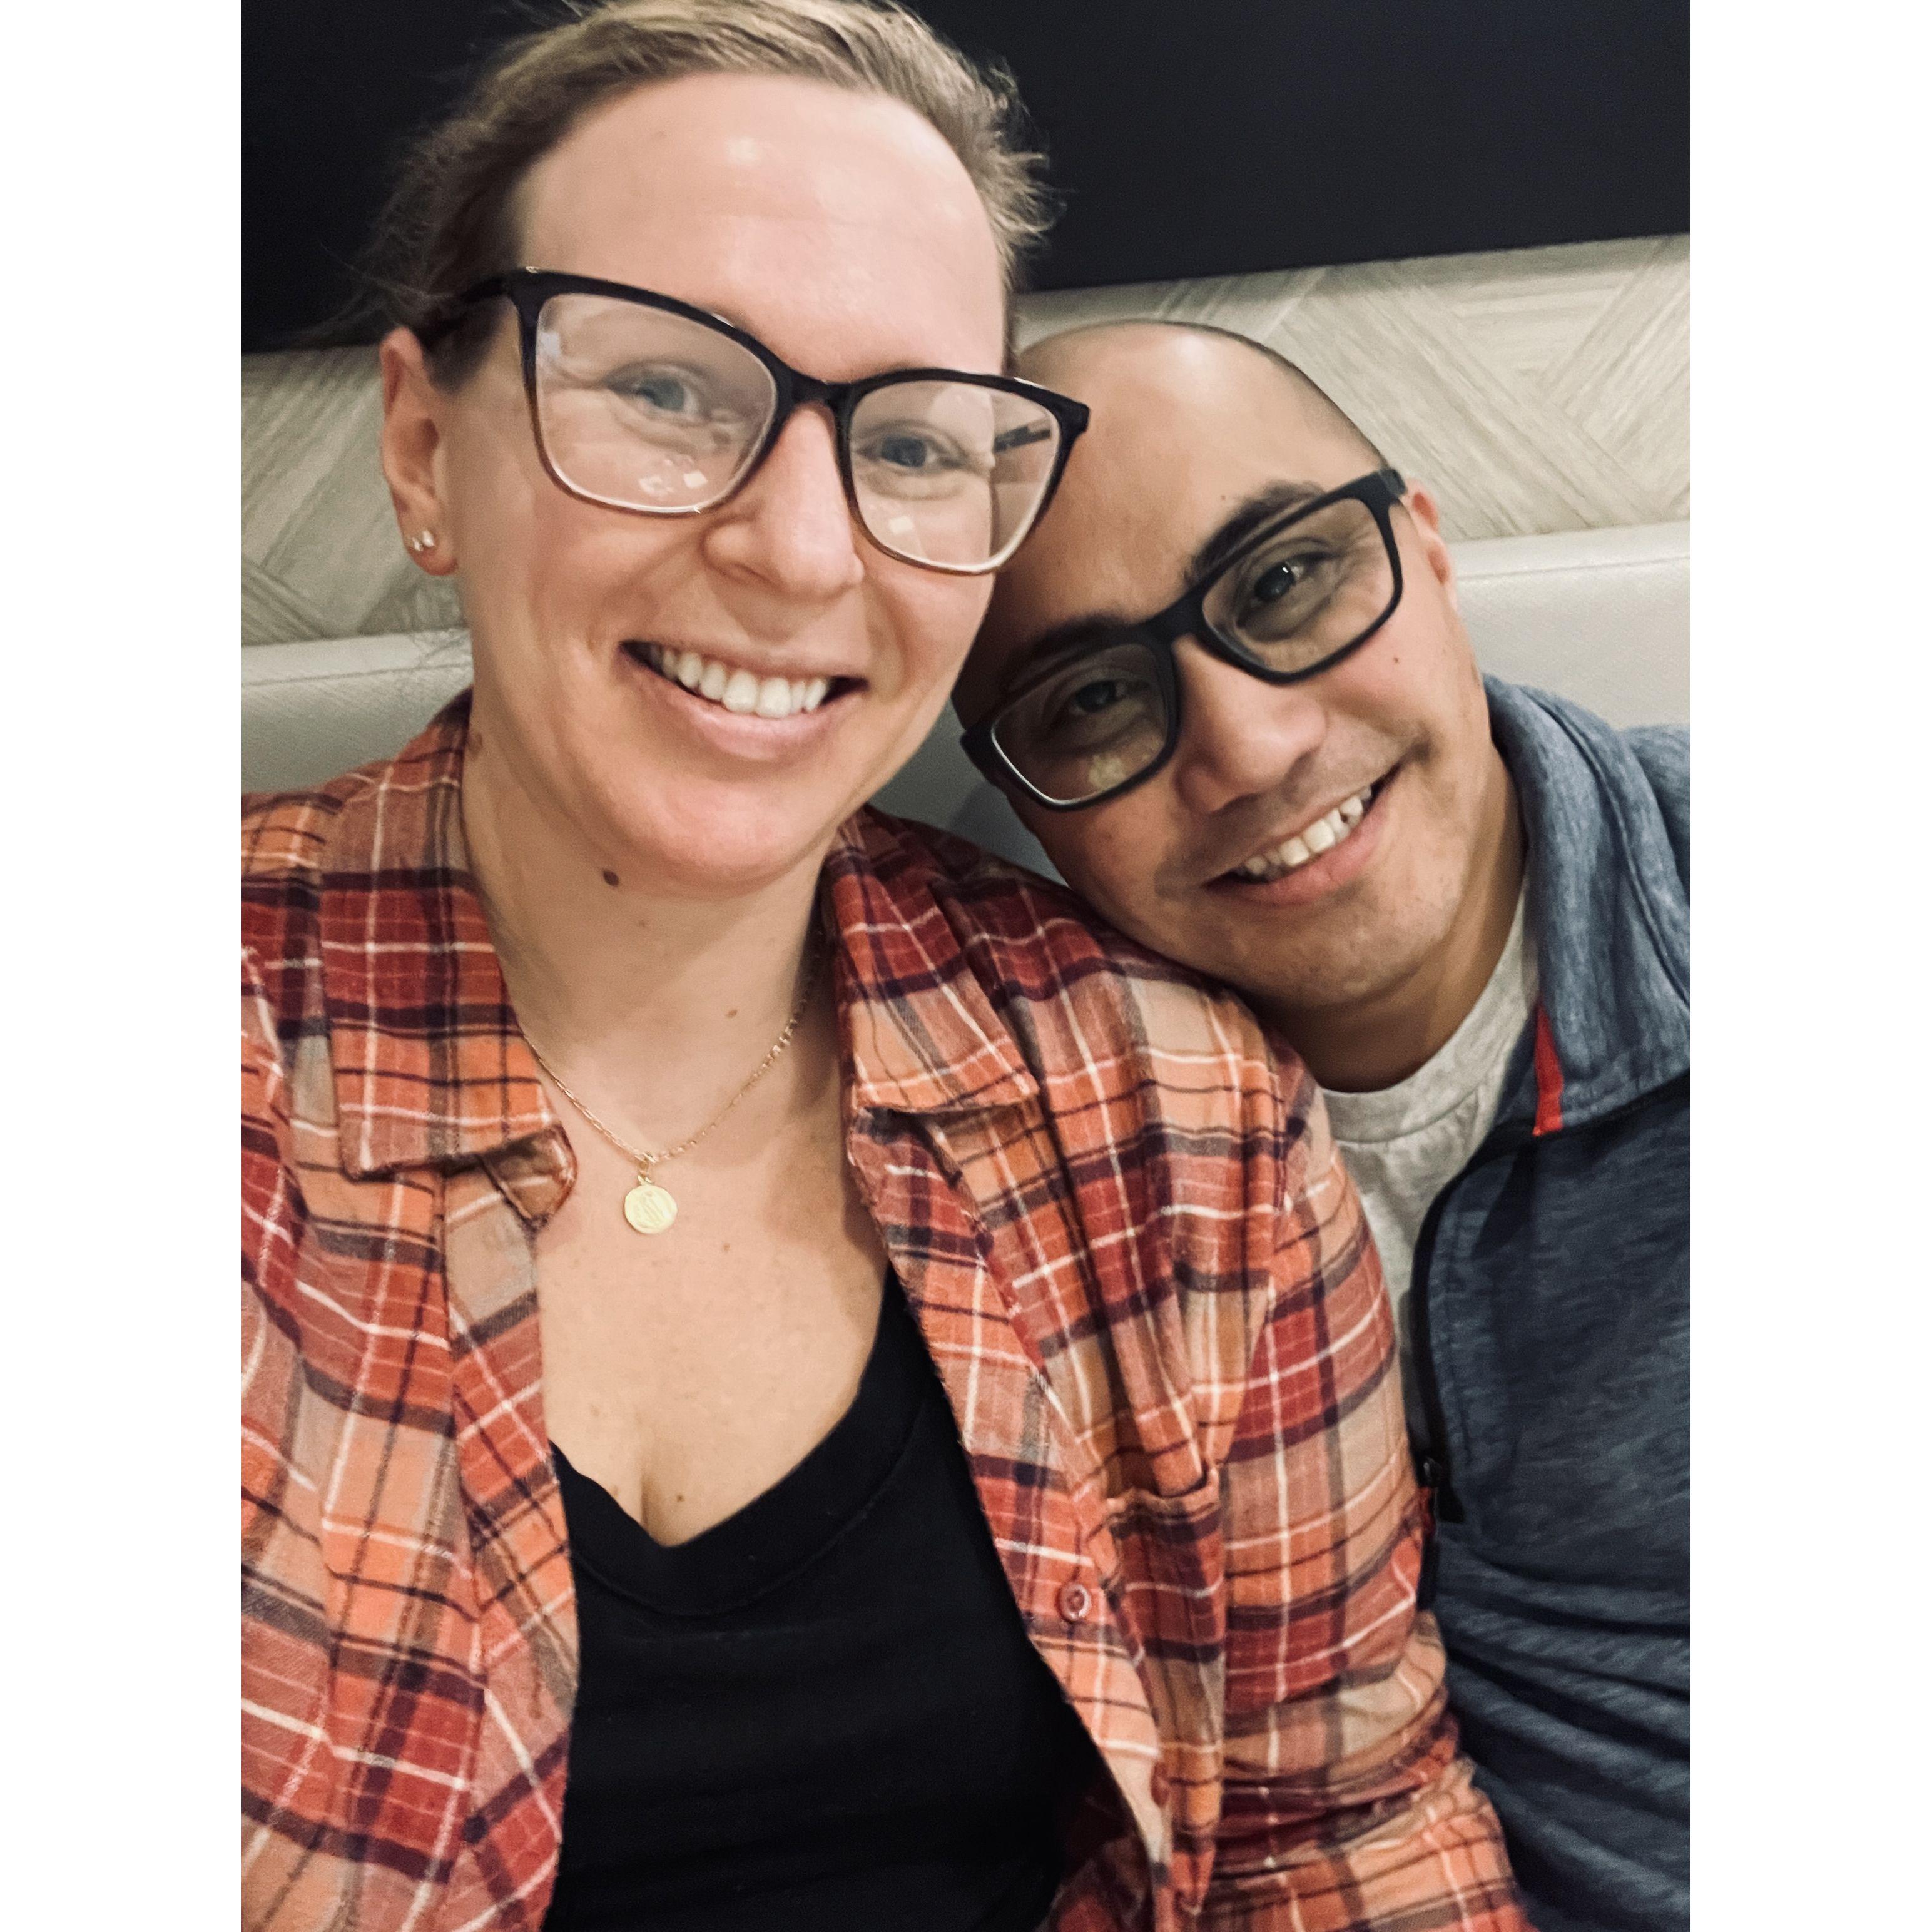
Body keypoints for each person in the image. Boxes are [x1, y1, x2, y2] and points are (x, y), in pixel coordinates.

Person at [242, 6, 1528, 1931]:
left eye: (913, 438)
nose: (797, 548)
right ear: (428, 446)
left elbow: (1335, 1837)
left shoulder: (1168, 1112)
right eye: (664, 389)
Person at [958, 320, 1689, 1932]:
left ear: (1426, 545)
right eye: (1096, 697)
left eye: (1286, 582)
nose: (1252, 747)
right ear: (1020, 797)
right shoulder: (1007, 1152)